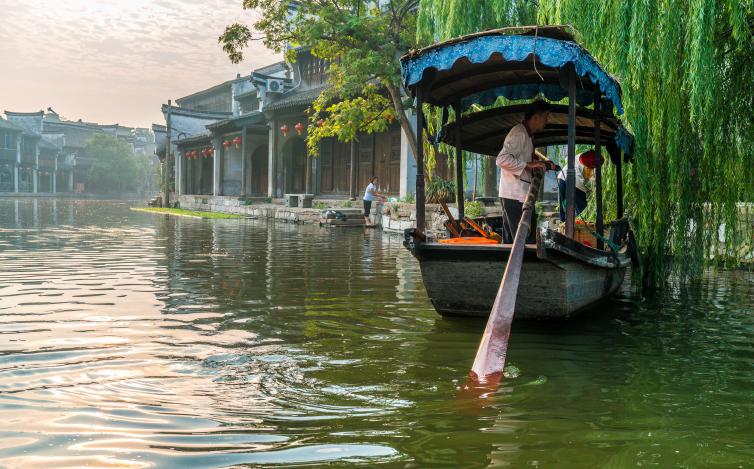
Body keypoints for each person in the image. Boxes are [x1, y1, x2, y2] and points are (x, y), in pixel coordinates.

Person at [496, 101, 557, 243]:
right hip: (515, 196)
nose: (547, 121)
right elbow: (502, 160)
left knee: (513, 241)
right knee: (522, 240)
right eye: (546, 116)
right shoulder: (519, 133)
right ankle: (523, 265)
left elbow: (522, 158)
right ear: (535, 117)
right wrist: (528, 165)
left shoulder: (528, 135)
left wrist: (539, 164)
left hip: (519, 195)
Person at [557, 149, 597, 222]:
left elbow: (592, 178)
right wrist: (588, 189)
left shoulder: (588, 159)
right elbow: (580, 181)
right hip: (567, 178)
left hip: (563, 178)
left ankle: (568, 222)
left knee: (565, 204)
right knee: (581, 204)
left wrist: (591, 188)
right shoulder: (582, 160)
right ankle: (566, 222)